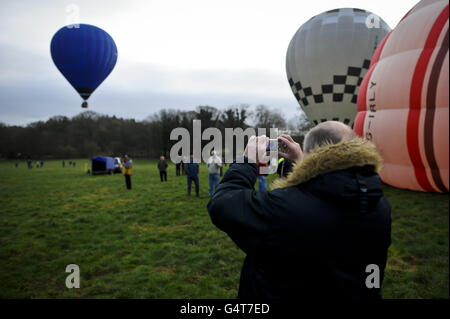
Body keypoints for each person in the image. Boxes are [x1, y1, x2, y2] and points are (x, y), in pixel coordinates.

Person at [207, 121, 392, 299]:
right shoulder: (379, 204)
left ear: (311, 153)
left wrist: (246, 162)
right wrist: (300, 164)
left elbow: (223, 203)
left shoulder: (284, 208)